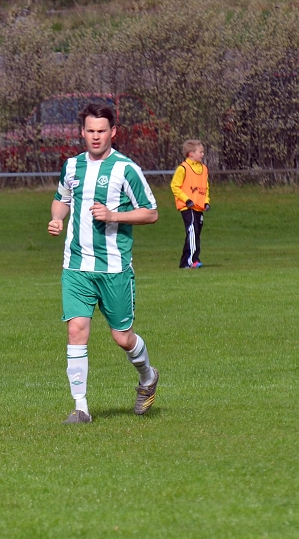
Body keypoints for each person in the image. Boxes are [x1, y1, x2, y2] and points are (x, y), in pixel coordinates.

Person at [47, 103, 161, 424]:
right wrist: (57, 219)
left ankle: (147, 377)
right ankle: (80, 407)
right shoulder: (71, 167)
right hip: (76, 266)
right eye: (90, 131)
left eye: (101, 131)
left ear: (113, 132)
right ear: (82, 132)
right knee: (76, 330)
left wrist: (113, 215)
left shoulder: (126, 169)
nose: (95, 137)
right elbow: (61, 199)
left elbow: (151, 213)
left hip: (113, 268)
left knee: (122, 337)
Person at [170, 139, 210, 269]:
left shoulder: (204, 169)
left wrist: (206, 201)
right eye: (200, 152)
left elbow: (206, 187)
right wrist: (186, 199)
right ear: (191, 154)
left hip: (199, 207)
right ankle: (193, 260)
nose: (203, 154)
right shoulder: (183, 168)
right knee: (192, 231)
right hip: (188, 207)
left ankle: (184, 261)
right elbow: (175, 186)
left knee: (195, 234)